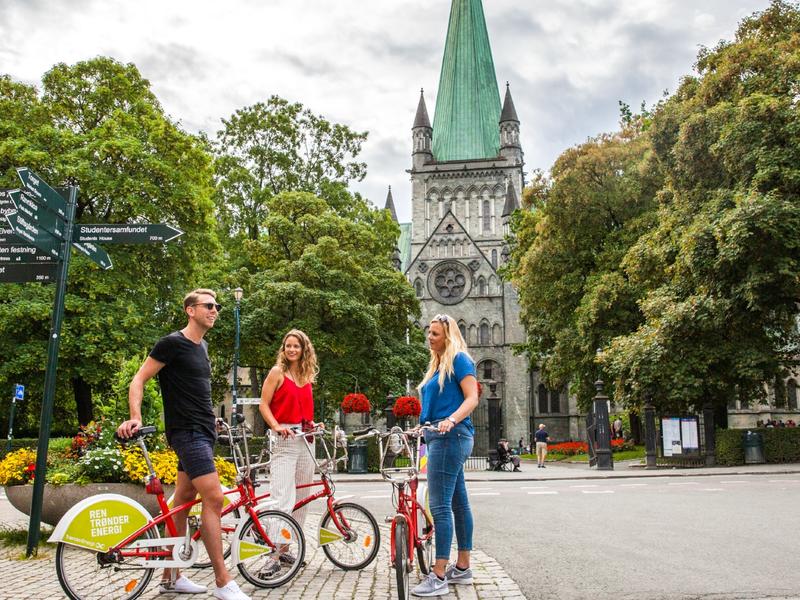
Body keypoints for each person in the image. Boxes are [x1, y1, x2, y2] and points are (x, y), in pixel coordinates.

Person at [117, 289, 250, 600]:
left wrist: (213, 420)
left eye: (216, 305)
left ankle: (170, 576)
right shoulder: (171, 343)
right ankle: (222, 581)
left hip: (203, 431)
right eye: (208, 305)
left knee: (182, 502)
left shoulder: (202, 346)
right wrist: (135, 416)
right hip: (187, 434)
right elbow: (138, 380)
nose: (215, 310)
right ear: (190, 310)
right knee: (214, 499)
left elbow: (195, 393)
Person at [411, 313, 479, 597]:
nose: (429, 337)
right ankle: (462, 568)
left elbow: (472, 397)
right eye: (429, 332)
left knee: (439, 507)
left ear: (448, 336)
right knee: (458, 504)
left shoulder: (460, 359)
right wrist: (422, 426)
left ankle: (438, 575)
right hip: (440, 436)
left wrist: (450, 419)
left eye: (435, 334)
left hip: (450, 437)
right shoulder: (438, 365)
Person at [258, 329, 319, 576]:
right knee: (282, 497)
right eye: (288, 346)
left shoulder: (306, 376)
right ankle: (272, 554)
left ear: (304, 349)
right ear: (283, 349)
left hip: (306, 440)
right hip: (284, 440)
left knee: (302, 499)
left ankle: (285, 548)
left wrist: (314, 424)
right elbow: (263, 404)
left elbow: (304, 411)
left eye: (296, 346)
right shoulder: (277, 373)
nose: (291, 350)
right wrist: (275, 426)